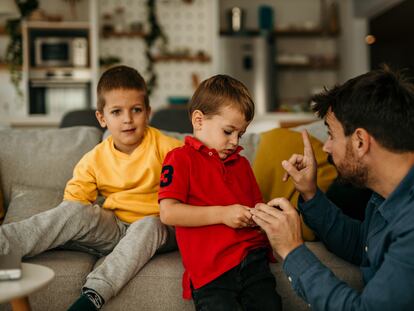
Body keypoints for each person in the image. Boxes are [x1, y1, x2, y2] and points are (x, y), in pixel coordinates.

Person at [0, 65, 183, 311]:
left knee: (148, 225)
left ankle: (92, 297)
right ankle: (5, 243)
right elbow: (73, 205)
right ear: (102, 118)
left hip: (159, 229)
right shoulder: (94, 158)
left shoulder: (168, 148)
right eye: (117, 112)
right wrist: (74, 221)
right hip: (117, 229)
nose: (127, 119)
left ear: (148, 112)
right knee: (75, 211)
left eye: (136, 110)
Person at [251, 66, 414, 310]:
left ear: (360, 141)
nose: (326, 147)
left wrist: (292, 249)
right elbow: (363, 246)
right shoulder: (385, 195)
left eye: (331, 135)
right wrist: (310, 193)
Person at [158, 75, 282, 311]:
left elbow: (256, 209)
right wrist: (224, 214)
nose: (235, 141)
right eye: (228, 131)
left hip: (254, 262)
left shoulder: (242, 164)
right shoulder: (180, 159)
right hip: (212, 273)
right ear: (198, 120)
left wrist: (267, 215)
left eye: (240, 134)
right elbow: (168, 213)